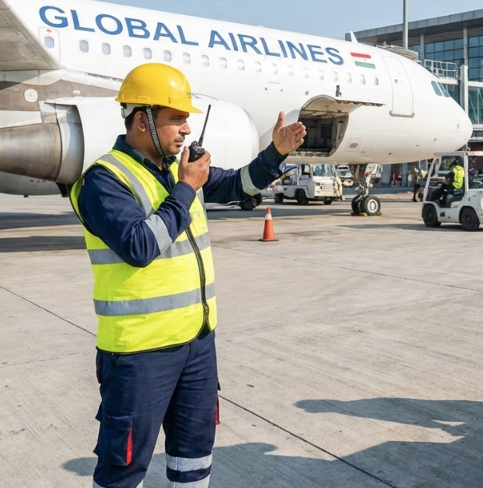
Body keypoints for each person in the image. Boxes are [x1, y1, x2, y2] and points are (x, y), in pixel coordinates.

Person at [69, 63, 307, 488]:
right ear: (142, 120)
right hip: (140, 353)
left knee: (194, 457)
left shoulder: (178, 173)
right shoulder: (104, 181)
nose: (184, 129)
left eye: (186, 119)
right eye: (175, 119)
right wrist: (185, 189)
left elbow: (239, 186)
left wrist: (275, 153)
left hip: (197, 345)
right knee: (123, 469)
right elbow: (139, 245)